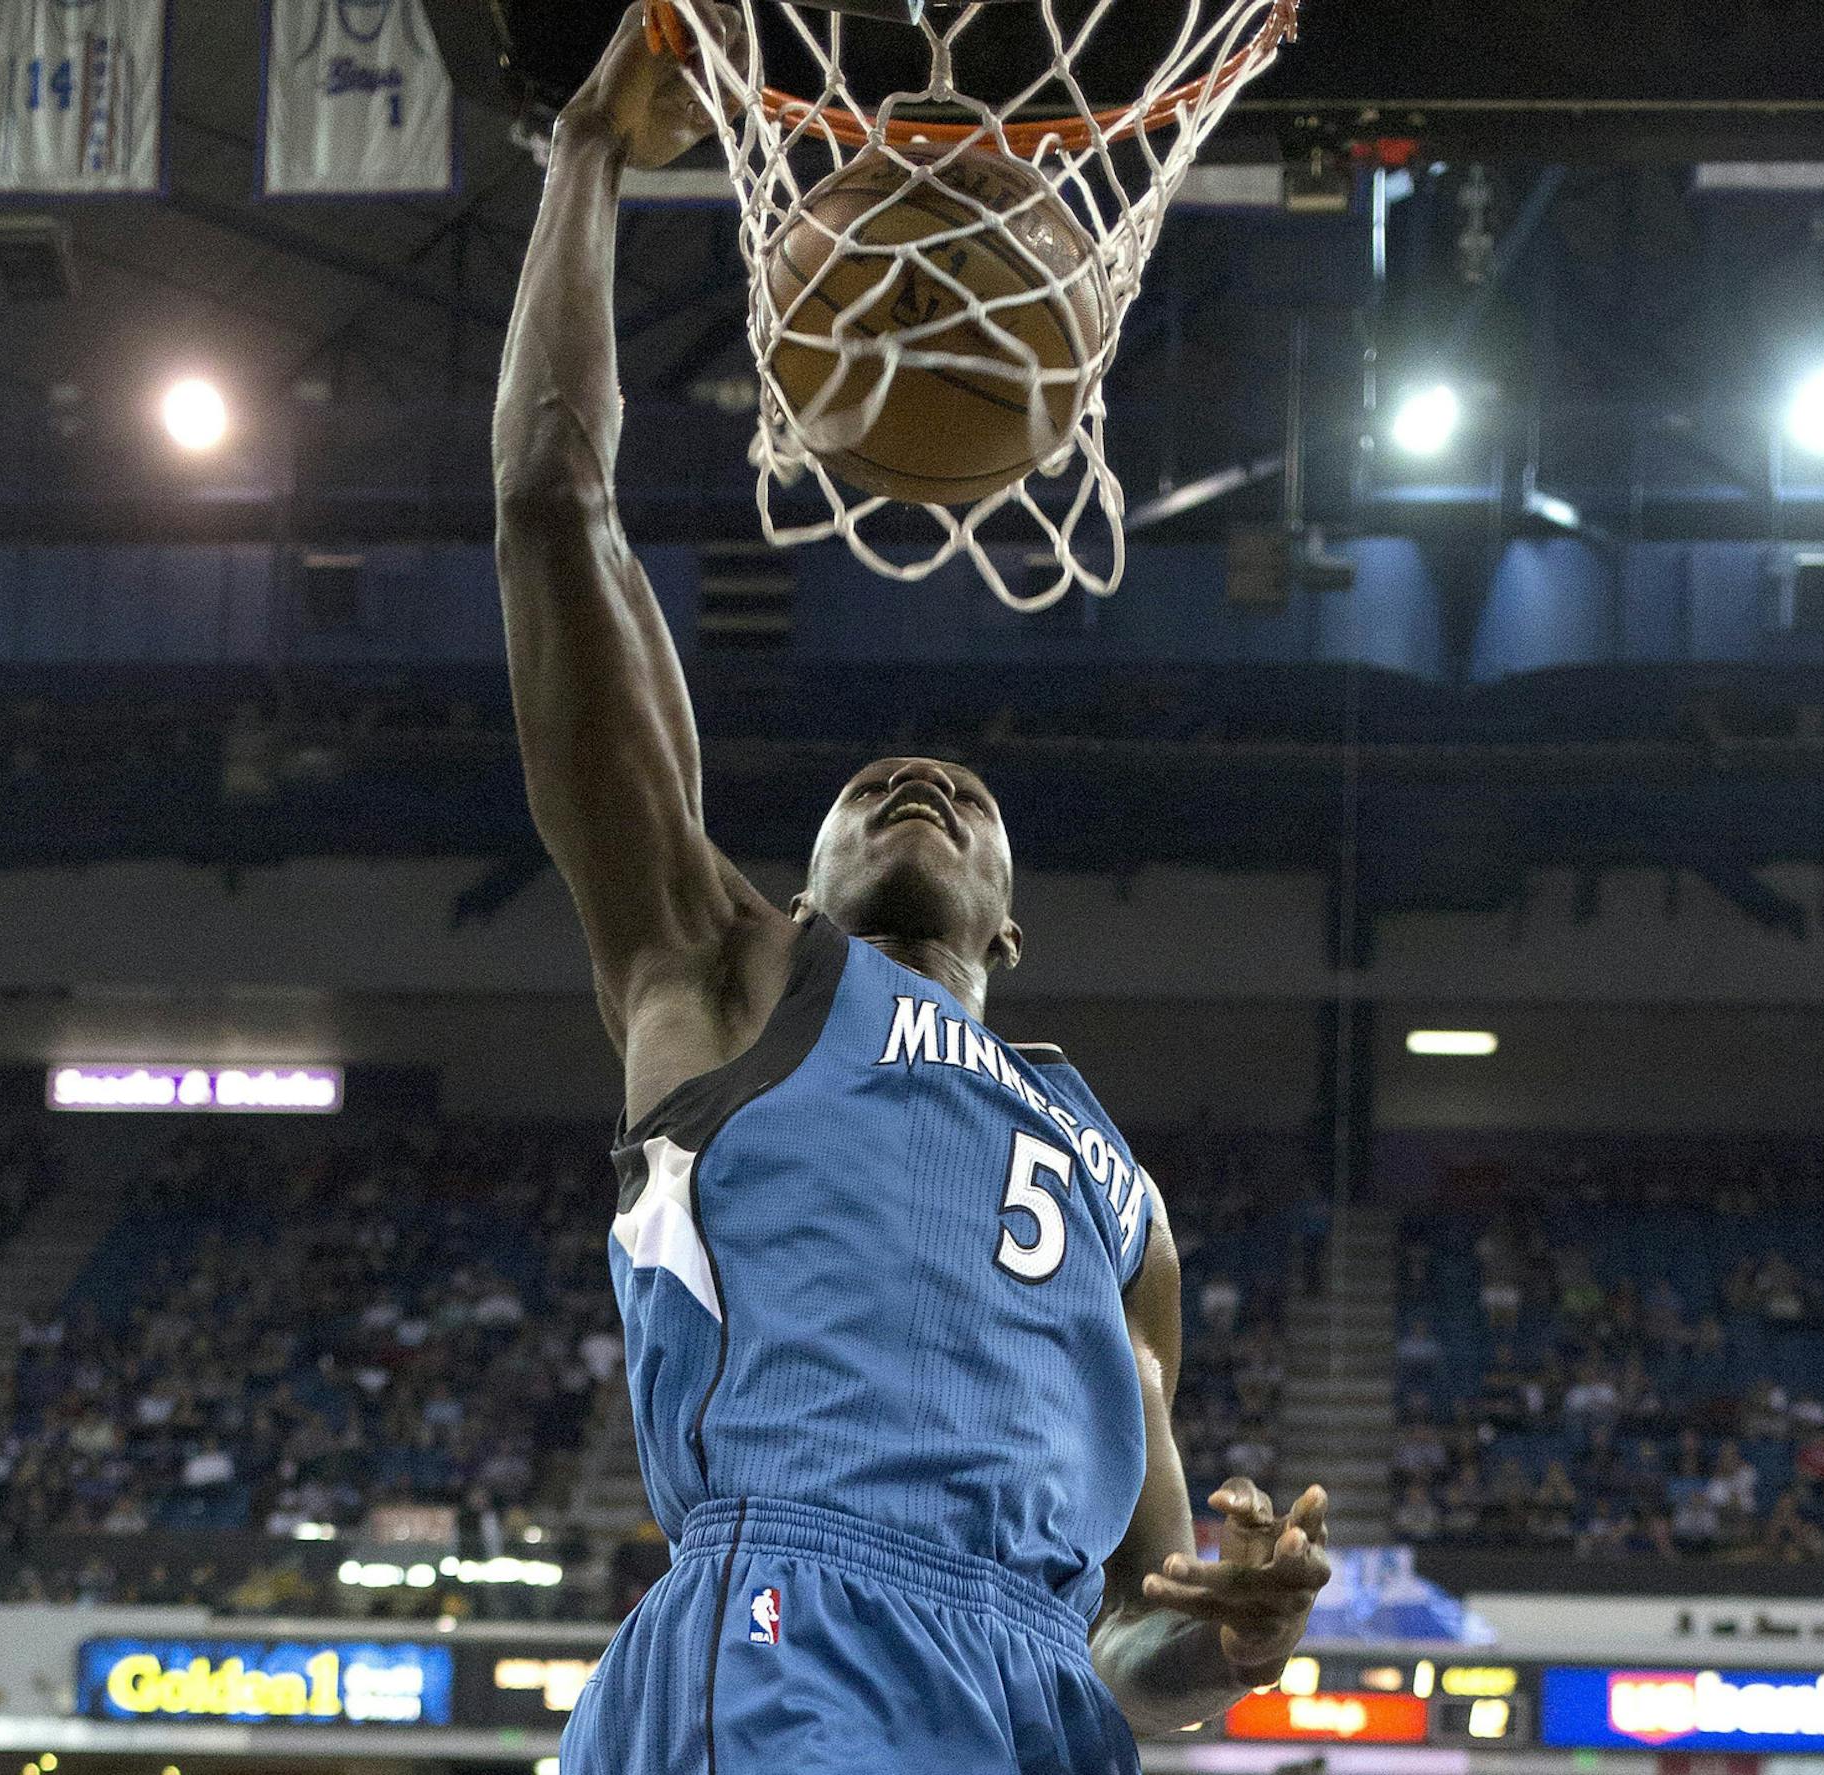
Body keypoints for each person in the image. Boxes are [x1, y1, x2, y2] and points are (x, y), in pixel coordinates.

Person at [490, 10, 1330, 1771]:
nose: (917, 780)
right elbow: (554, 503)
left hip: (1027, 1705)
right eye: (873, 789)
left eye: (961, 794)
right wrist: (583, 161)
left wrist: (1229, 1640)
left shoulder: (1123, 1196)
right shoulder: (728, 974)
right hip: (798, 1625)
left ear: (1011, 929)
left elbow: (1124, 1652)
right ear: (791, 879)